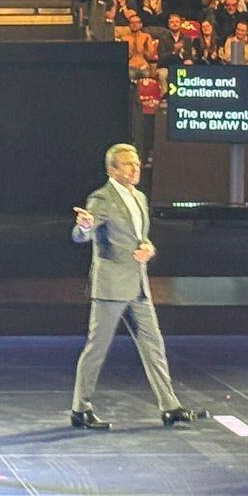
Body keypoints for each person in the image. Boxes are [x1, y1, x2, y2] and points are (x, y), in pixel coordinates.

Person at [69, 144, 195, 430]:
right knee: (97, 349)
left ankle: (170, 407)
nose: (135, 169)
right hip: (111, 288)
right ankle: (80, 409)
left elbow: (140, 238)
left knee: (154, 346)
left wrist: (148, 248)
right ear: (112, 169)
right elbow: (82, 234)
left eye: (136, 163)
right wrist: (85, 226)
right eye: (127, 164)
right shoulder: (101, 199)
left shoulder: (139, 197)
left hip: (138, 286)